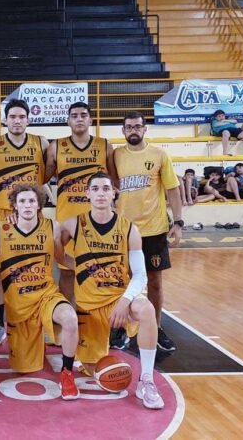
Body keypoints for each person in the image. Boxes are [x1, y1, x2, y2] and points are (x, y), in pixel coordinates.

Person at [59, 172, 165, 410]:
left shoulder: (129, 229)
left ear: (113, 193)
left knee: (146, 309)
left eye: (106, 189)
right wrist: (75, 264)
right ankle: (88, 357)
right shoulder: (73, 223)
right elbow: (55, 249)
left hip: (118, 298)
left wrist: (124, 301)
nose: (101, 194)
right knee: (94, 368)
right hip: (88, 304)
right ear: (87, 193)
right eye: (95, 189)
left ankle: (146, 380)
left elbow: (140, 274)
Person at [0, 184, 80, 401]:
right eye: (22, 201)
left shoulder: (52, 227)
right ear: (15, 206)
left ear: (39, 205)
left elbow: (62, 258)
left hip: (46, 295)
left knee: (70, 319)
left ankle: (67, 374)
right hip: (18, 305)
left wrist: (90, 266)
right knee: (23, 369)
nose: (27, 205)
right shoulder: (2, 228)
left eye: (32, 201)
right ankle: (37, 340)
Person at [110, 111, 182, 352]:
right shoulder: (116, 156)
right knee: (121, 280)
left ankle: (156, 327)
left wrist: (178, 222)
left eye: (137, 126)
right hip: (124, 229)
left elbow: (172, 189)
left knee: (154, 282)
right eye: (129, 127)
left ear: (144, 129)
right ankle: (120, 327)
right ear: (123, 131)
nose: (133, 130)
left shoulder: (159, 155)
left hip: (154, 228)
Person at [0, 98, 48, 346]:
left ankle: (38, 319)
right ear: (5, 120)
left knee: (36, 269)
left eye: (21, 117)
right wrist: (1, 198)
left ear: (28, 120)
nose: (17, 121)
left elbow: (48, 173)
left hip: (31, 213)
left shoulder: (41, 143)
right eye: (12, 117)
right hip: (2, 213)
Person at [45, 101, 114, 303]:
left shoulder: (104, 146)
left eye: (83, 115)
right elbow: (43, 178)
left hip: (98, 220)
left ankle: (95, 313)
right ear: (68, 121)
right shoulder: (56, 147)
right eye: (74, 116)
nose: (79, 119)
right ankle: (68, 313)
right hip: (67, 219)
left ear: (90, 120)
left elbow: (114, 180)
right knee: (67, 272)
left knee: (99, 272)